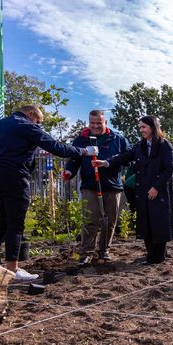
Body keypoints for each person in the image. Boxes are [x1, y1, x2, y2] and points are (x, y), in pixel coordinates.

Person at [0, 105, 98, 281]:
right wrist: (84, 151)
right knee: (16, 224)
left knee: (5, 221)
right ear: (31, 115)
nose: (39, 126)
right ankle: (13, 269)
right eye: (39, 122)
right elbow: (55, 147)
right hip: (16, 178)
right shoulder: (26, 126)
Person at [95, 115, 173, 264]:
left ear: (153, 127)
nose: (141, 130)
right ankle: (151, 256)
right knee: (147, 223)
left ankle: (157, 258)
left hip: (159, 191)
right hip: (143, 191)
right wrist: (106, 162)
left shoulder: (164, 146)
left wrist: (156, 187)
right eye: (140, 127)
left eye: (143, 127)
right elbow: (125, 156)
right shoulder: (140, 146)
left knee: (158, 223)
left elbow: (168, 169)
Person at [62, 110, 130, 264]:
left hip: (112, 186)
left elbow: (127, 158)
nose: (95, 126)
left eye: (99, 123)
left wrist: (109, 163)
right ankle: (86, 252)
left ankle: (104, 250)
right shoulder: (81, 139)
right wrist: (69, 171)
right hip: (89, 185)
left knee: (109, 220)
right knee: (90, 220)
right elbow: (74, 159)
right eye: (92, 123)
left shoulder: (118, 139)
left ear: (105, 122)